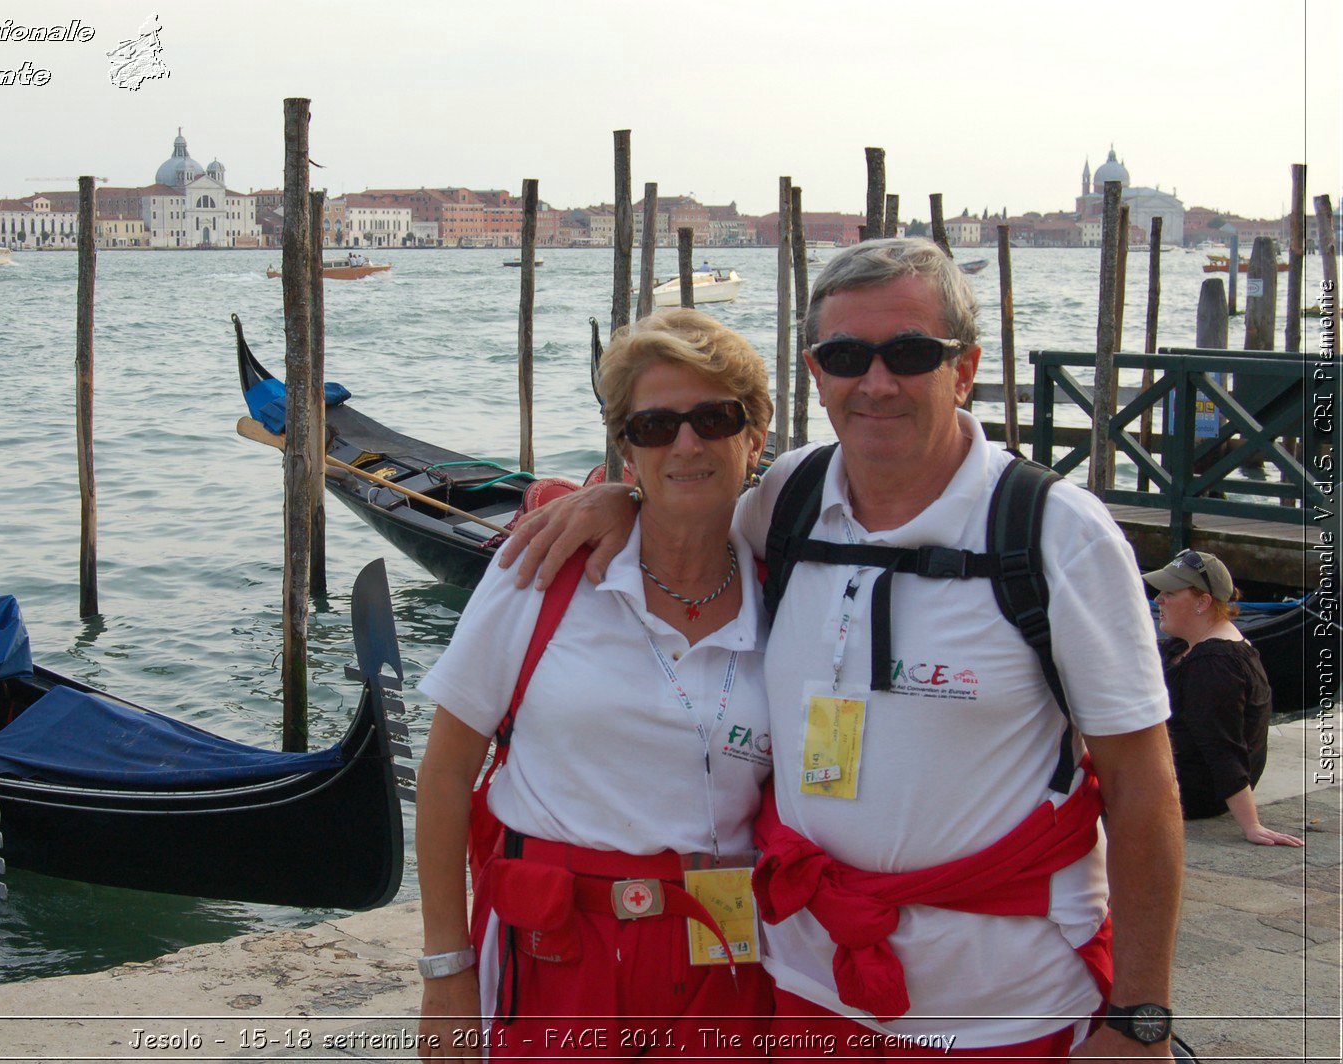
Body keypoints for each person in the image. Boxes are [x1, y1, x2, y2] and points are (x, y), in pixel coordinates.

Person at [502, 238, 1183, 1061]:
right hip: (806, 983)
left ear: (962, 370)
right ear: (817, 373)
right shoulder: (785, 502)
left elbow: (1143, 785)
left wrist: (1140, 1018)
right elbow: (686, 507)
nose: (877, 381)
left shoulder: (1056, 536)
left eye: (909, 353)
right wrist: (617, 498)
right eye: (847, 356)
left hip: (1008, 1001)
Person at [415, 309, 777, 1060]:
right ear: (625, 450)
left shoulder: (792, 592)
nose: (686, 443)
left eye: (714, 418)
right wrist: (445, 970)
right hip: (554, 954)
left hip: (725, 958)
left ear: (756, 435)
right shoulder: (540, 573)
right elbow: (446, 776)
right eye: (654, 427)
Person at [1147, 549, 1303, 846]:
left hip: (1195, 790)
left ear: (1203, 602)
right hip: (1182, 772)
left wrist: (1251, 825)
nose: (1158, 600)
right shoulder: (1187, 645)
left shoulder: (1215, 663)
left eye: (1169, 592)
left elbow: (1221, 744)